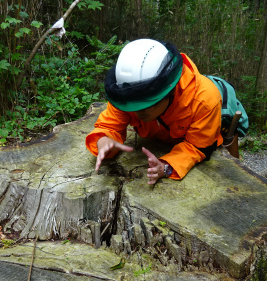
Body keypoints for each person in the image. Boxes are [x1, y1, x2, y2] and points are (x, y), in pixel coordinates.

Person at [85, 39, 223, 185]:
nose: (137, 111)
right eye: (133, 105)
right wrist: (103, 140)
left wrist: (166, 167)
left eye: (146, 104)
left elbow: (197, 146)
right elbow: (109, 125)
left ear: (170, 91)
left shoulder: (204, 101)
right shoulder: (126, 94)